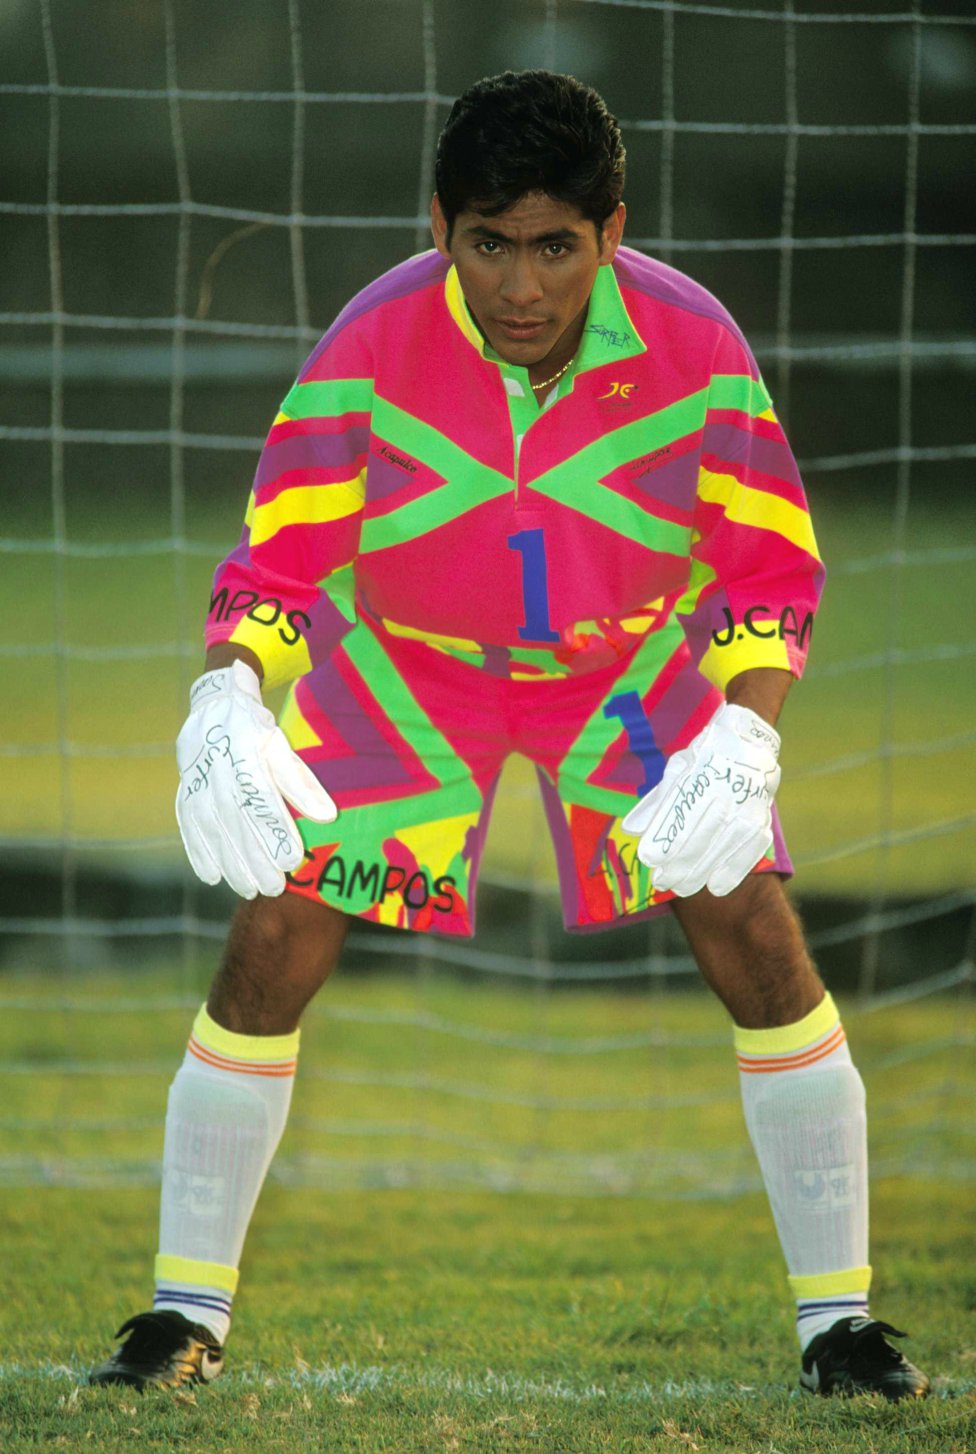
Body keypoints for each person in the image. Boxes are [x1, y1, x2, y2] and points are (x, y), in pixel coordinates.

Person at [90, 69, 928, 1401]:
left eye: (553, 245)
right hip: (413, 669)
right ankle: (179, 1314)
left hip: (631, 664)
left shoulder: (696, 341)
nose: (520, 283)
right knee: (271, 930)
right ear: (440, 228)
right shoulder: (370, 338)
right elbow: (280, 566)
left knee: (756, 927)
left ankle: (841, 1325)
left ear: (611, 234)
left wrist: (748, 735)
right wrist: (228, 689)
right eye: (489, 242)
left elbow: (767, 571)